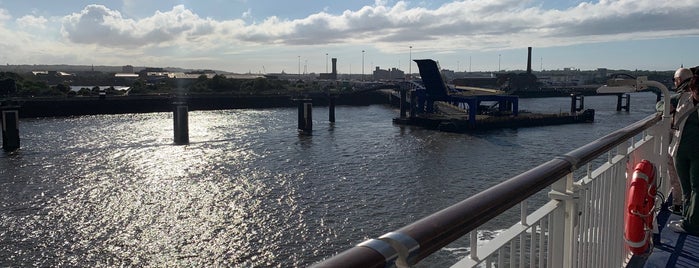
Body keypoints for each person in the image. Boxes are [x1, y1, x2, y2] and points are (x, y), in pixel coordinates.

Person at [667, 73, 699, 235]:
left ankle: (692, 224)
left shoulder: (684, 99)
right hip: (681, 150)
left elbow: (663, 106)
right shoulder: (682, 99)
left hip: (690, 152)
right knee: (688, 187)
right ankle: (688, 218)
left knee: (695, 187)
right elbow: (663, 104)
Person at [666, 68, 693, 214]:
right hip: (692, 143)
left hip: (682, 144)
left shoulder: (679, 98)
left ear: (679, 81)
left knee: (678, 175)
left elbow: (663, 107)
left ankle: (679, 205)